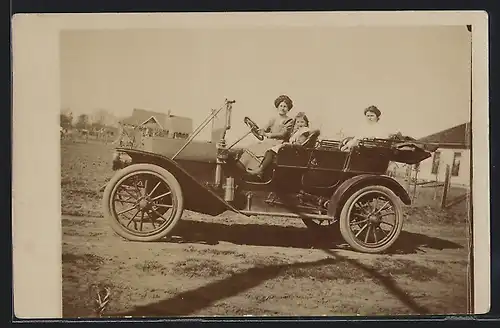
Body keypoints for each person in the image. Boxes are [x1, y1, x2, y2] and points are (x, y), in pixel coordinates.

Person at [247, 111, 312, 179]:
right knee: (269, 151)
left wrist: (289, 144)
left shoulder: (305, 131)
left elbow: (300, 144)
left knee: (271, 152)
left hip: (296, 153)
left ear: (306, 123)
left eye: (302, 122)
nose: (299, 124)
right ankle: (260, 170)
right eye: (298, 122)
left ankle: (260, 170)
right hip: (293, 150)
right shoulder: (298, 131)